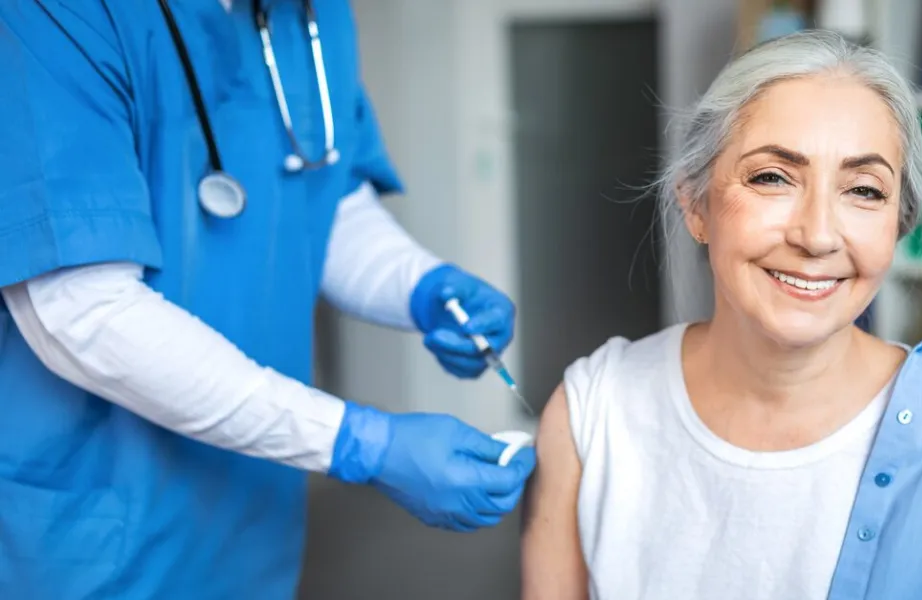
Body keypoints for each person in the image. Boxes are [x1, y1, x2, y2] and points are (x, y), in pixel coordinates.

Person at [0, 1, 533, 597]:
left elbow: (323, 198)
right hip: (91, 535)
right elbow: (82, 307)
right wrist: (358, 441)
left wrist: (422, 286)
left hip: (250, 527)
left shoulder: (316, 14)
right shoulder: (55, 14)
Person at [521, 30, 922, 600]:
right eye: (772, 178)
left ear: (898, 224)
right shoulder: (592, 414)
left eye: (863, 190)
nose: (816, 236)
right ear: (695, 205)